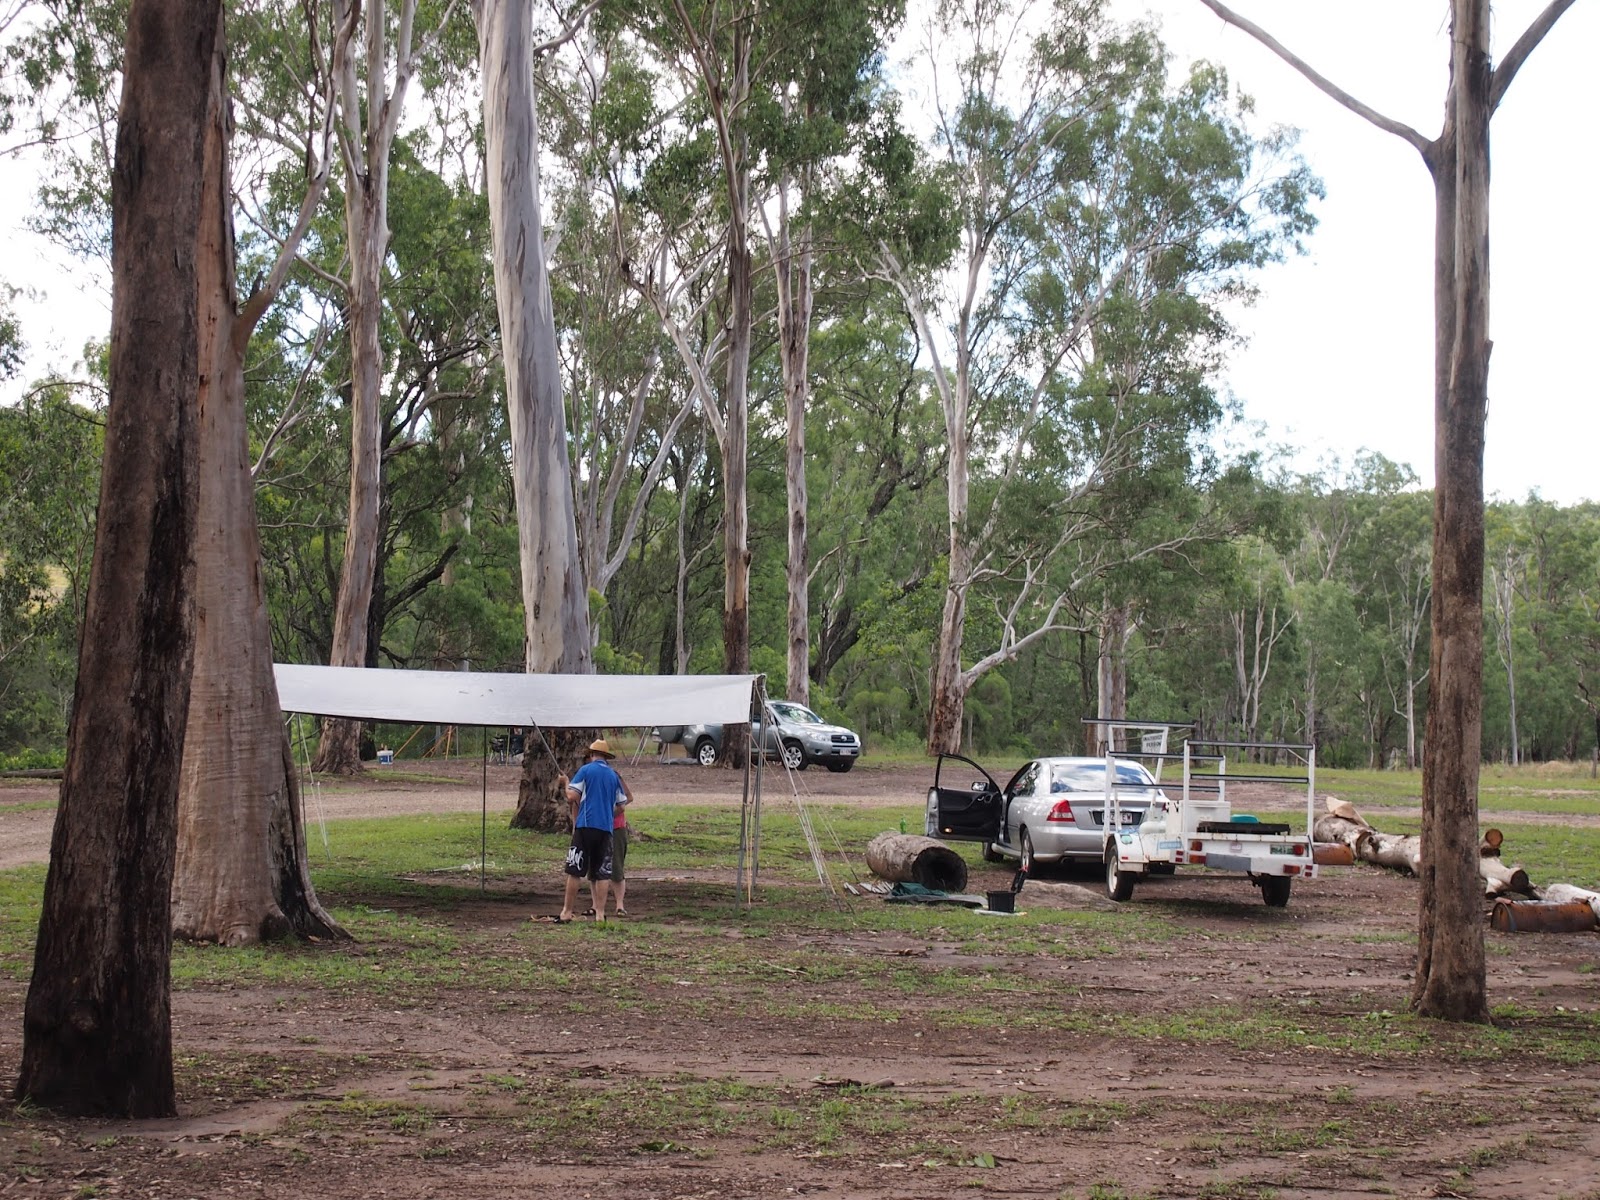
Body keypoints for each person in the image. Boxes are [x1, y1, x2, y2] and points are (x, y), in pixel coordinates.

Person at [554, 738, 632, 923]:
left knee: (575, 870)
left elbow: (572, 796)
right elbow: (621, 805)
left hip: (585, 826)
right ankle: (600, 914)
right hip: (606, 829)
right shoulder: (613, 776)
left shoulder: (586, 770)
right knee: (602, 873)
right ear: (606, 757)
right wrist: (606, 814)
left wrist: (565, 782)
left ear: (591, 755)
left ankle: (566, 911)